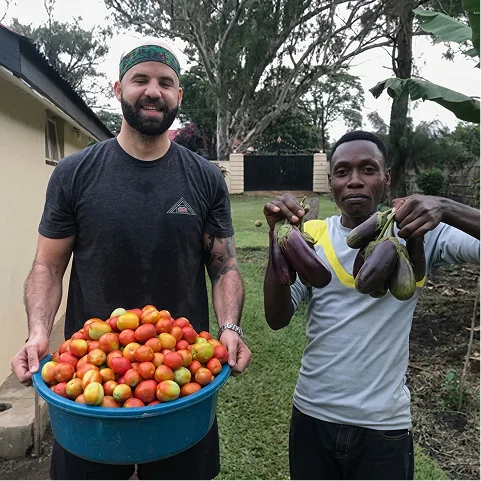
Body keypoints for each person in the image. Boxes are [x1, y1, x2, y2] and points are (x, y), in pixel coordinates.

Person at [11, 37, 252, 481]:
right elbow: (47, 265)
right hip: (91, 377)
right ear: (118, 88)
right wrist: (39, 332)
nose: (153, 91)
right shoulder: (75, 174)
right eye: (140, 79)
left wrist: (230, 328)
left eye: (165, 82)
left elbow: (225, 267)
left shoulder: (203, 177)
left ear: (179, 96)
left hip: (182, 375)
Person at [263, 130, 481, 481]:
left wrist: (446, 207)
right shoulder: (313, 235)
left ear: (386, 178)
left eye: (368, 169)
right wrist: (278, 239)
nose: (354, 181)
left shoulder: (417, 231)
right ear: (331, 181)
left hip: (384, 425)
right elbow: (276, 318)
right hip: (312, 414)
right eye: (342, 172)